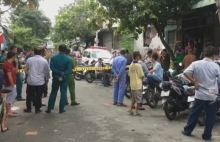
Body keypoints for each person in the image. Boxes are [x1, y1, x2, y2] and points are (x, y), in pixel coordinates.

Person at [181, 46, 220, 141]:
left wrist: (194, 82)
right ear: (214, 56)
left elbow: (185, 72)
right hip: (211, 93)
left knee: (194, 113)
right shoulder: (216, 66)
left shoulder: (196, 64)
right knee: (210, 116)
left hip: (200, 93)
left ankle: (187, 131)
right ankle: (207, 136)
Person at [45, 45, 72, 113]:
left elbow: (52, 67)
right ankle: (61, 109)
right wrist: (62, 75)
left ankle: (49, 108)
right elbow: (68, 69)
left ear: (58, 49)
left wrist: (59, 74)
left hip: (56, 77)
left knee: (53, 92)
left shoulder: (53, 58)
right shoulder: (68, 59)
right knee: (63, 93)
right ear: (65, 50)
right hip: (64, 78)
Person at [24, 48, 50, 113]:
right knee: (39, 95)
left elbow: (26, 69)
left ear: (34, 52)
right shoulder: (44, 61)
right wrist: (47, 79)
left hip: (31, 81)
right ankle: (37, 109)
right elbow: (47, 71)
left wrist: (28, 74)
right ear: (41, 53)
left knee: (29, 95)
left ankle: (29, 108)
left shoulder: (29, 60)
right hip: (40, 81)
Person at [3, 51, 18, 117]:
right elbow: (9, 75)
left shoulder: (10, 64)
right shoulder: (7, 64)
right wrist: (12, 84)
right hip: (9, 84)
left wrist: (17, 63)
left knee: (12, 96)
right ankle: (8, 111)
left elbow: (15, 72)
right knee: (10, 97)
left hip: (12, 83)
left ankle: (9, 110)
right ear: (13, 56)